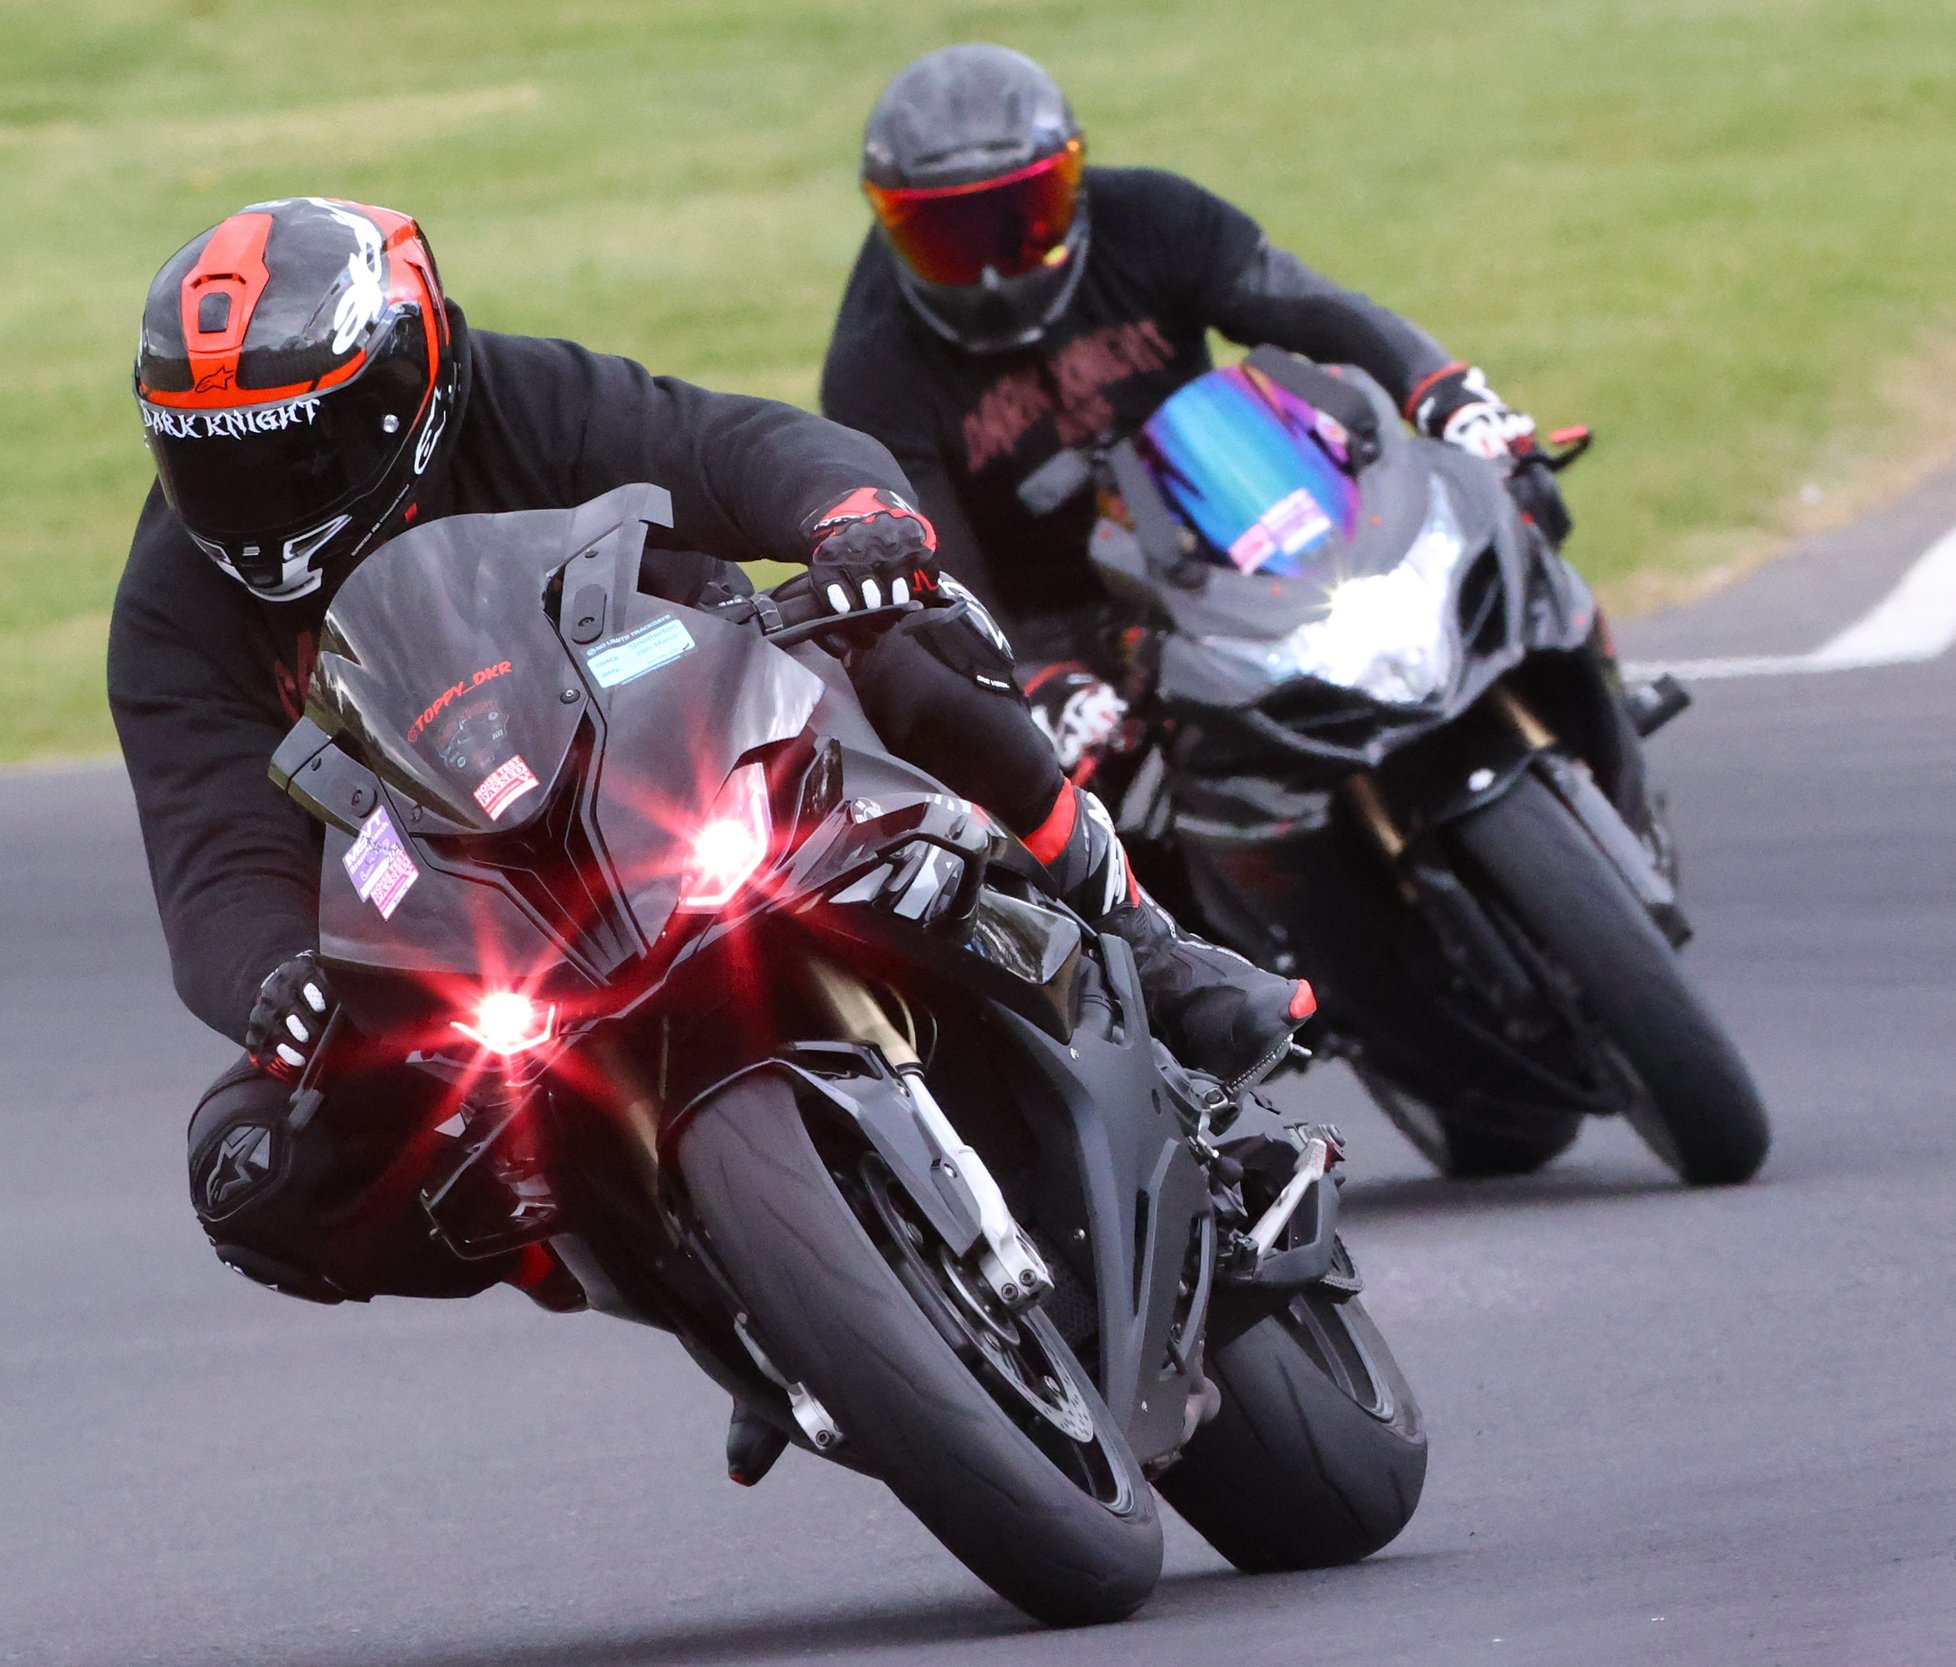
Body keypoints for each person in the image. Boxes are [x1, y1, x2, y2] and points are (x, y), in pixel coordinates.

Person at [109, 196, 1308, 1308]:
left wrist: (854, 525)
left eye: (295, 446)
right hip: (455, 893)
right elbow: (207, 841)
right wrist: (272, 977)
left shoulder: (518, 395)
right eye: (208, 456)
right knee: (250, 1164)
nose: (253, 494)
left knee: (892, 653)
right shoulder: (173, 610)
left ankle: (1148, 945)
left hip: (677, 729)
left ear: (403, 385)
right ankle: (661, 1271)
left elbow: (732, 446)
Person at [820, 43, 1571, 765]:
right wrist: (1033, 678)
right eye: (947, 236)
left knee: (1497, 561)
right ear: (890, 224)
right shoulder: (872, 368)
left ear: (1073, 183)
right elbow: (934, 565)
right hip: (1062, 620)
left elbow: (1307, 307)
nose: (988, 272)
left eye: (1020, 222)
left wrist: (1441, 391)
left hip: (1240, 528)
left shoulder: (1153, 217)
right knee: (1085, 842)